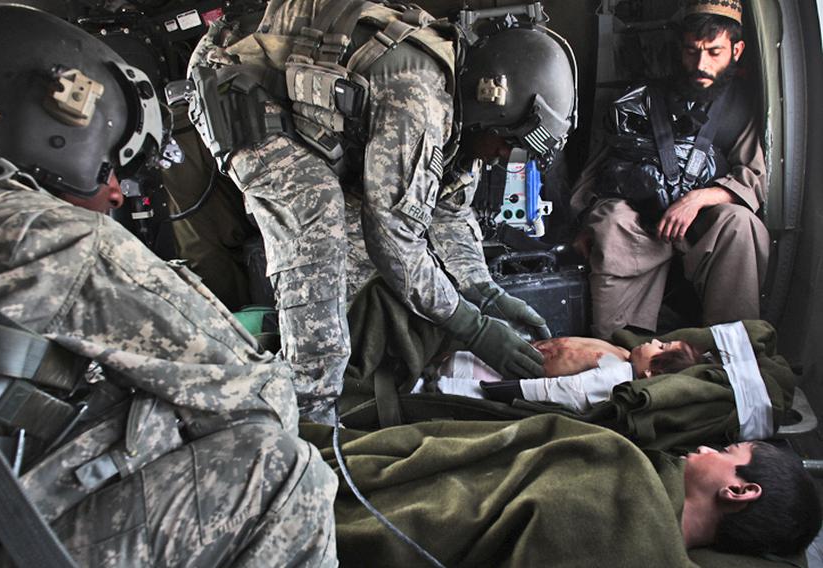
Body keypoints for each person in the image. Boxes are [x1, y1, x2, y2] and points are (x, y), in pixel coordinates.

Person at [0, 6, 336, 567]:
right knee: (283, 470)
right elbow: (253, 393)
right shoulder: (36, 232)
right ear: (63, 118)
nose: (115, 192)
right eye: (111, 163)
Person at [185, 1, 578, 423]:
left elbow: (449, 209)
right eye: (509, 143)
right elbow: (394, 239)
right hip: (239, 81)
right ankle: (307, 420)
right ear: (492, 105)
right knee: (318, 222)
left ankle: (328, 371)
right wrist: (474, 328)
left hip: (316, 121)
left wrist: (485, 292)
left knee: (358, 282)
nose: (504, 156)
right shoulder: (419, 98)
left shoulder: (465, 120)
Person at [303, 415, 821, 566]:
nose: (708, 448)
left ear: (741, 491)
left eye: (728, 452)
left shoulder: (624, 470)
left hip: (346, 508)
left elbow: (469, 454)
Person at [570, 0, 769, 339]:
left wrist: (699, 199)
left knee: (741, 224)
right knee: (611, 219)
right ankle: (622, 350)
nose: (701, 64)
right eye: (692, 51)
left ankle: (731, 350)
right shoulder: (641, 101)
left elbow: (753, 178)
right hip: (639, 222)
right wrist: (585, 219)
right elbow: (595, 175)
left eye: (714, 52)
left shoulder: (739, 109)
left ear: (737, 50)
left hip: (702, 224)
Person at [431, 337, 703, 412]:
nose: (654, 341)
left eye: (661, 347)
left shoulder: (615, 377)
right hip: (497, 359)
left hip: (491, 380)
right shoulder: (623, 353)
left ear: (650, 372)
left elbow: (561, 391)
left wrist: (487, 391)